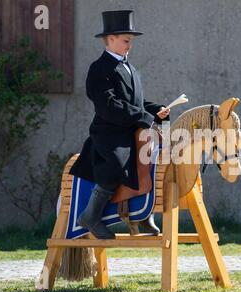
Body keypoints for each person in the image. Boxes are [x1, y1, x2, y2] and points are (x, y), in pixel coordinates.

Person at [70, 10, 170, 239]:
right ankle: (91, 215)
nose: (129, 45)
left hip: (132, 130)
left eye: (131, 41)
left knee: (154, 162)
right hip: (108, 134)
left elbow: (136, 101)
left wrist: (156, 110)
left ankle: (143, 213)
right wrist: (145, 117)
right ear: (111, 38)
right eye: (126, 41)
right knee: (117, 163)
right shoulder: (99, 69)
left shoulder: (131, 69)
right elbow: (109, 105)